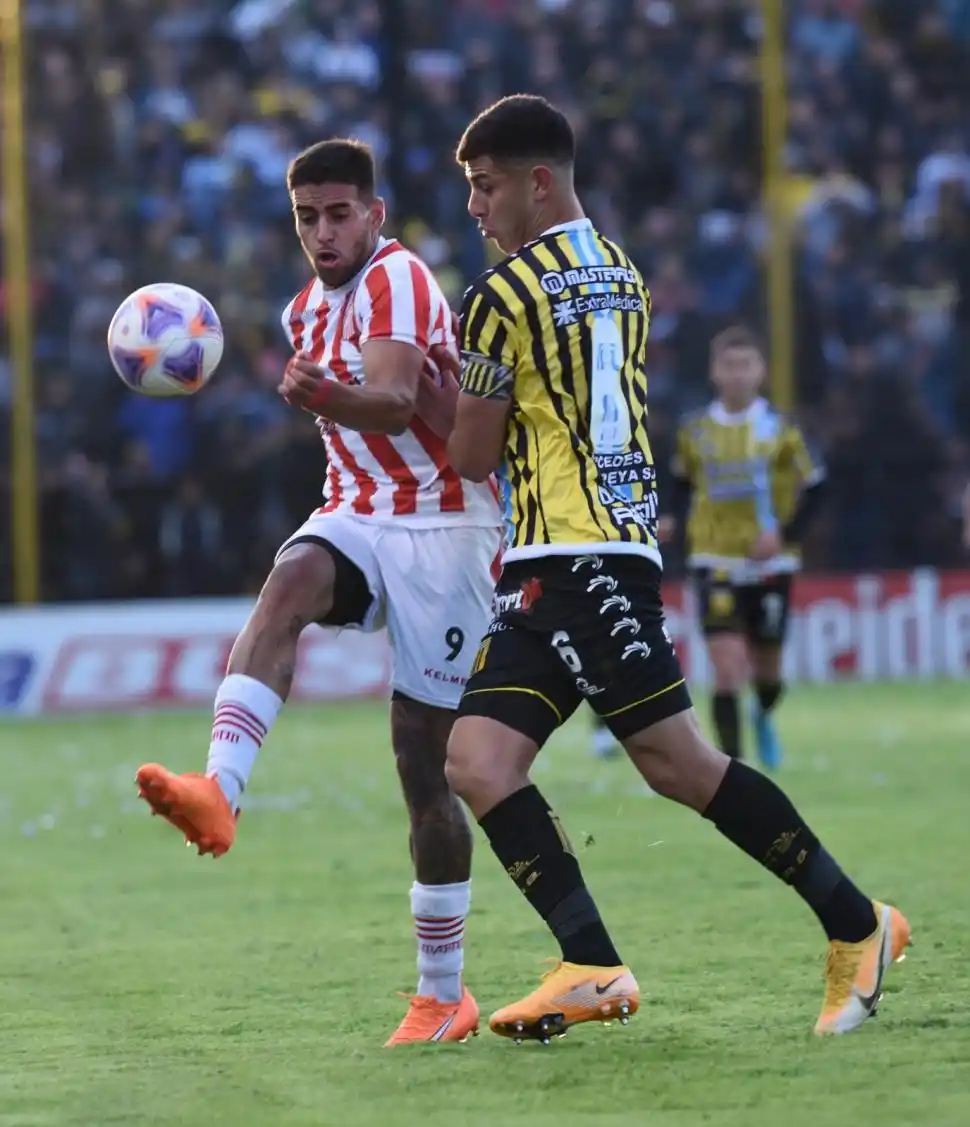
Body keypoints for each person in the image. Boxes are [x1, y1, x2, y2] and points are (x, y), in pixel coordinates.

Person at [442, 94, 910, 1044]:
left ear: (539, 182)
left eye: (486, 189)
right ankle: (590, 962)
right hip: (580, 554)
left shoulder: (496, 298)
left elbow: (472, 454)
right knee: (479, 760)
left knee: (680, 763)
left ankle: (858, 923)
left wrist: (425, 390)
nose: (475, 210)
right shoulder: (623, 271)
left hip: (578, 556)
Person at [136, 139, 501, 1046]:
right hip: (362, 512)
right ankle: (219, 790)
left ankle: (442, 992)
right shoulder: (306, 310)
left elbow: (384, 398)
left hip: (451, 530)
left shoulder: (402, 280)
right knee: (287, 584)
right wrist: (322, 402)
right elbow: (354, 420)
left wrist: (319, 397)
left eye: (340, 213)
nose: (324, 231)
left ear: (374, 215)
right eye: (308, 216)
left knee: (426, 763)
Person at [661, 326, 827, 769]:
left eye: (746, 365)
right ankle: (734, 769)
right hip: (714, 557)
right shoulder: (694, 430)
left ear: (762, 372)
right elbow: (679, 483)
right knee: (728, 667)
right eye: (729, 365)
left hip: (771, 561)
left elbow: (818, 488)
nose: (737, 374)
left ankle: (764, 712)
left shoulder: (784, 429)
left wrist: (785, 535)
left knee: (767, 671)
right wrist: (670, 517)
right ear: (715, 372)